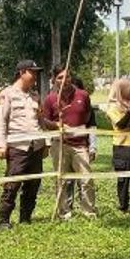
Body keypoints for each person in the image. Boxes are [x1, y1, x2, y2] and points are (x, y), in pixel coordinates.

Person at [0, 60, 53, 230]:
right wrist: (0, 145)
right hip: (17, 147)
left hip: (36, 147)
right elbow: (1, 121)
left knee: (33, 183)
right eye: (32, 72)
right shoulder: (7, 94)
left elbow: (40, 121)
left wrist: (46, 142)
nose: (35, 76)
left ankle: (25, 217)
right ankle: (4, 220)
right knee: (12, 184)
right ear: (22, 73)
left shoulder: (35, 96)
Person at [41, 66, 96, 219]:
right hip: (60, 144)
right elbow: (45, 121)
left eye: (67, 76)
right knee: (62, 179)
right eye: (60, 77)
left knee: (87, 178)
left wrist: (87, 139)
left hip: (80, 144)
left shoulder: (83, 95)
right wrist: (57, 125)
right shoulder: (51, 98)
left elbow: (87, 118)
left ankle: (89, 211)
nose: (64, 80)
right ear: (54, 80)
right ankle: (64, 212)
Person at [106, 77, 130, 215]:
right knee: (123, 178)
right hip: (122, 146)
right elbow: (121, 125)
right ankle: (123, 206)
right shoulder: (113, 107)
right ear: (123, 90)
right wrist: (129, 111)